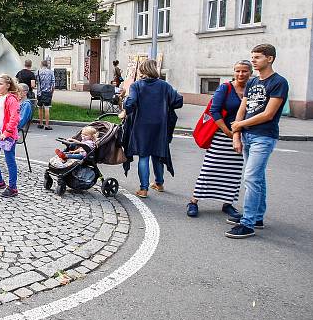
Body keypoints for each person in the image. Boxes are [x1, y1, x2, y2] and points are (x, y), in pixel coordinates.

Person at [225, 44, 289, 239]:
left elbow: (269, 114)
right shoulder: (252, 83)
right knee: (257, 177)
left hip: (264, 135)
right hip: (248, 135)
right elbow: (242, 108)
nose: (253, 60)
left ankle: (248, 223)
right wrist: (237, 133)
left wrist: (239, 124)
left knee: (251, 177)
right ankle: (257, 217)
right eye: (252, 56)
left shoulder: (278, 82)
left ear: (269, 59)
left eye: (258, 57)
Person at [186, 61, 252, 219]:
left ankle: (227, 203)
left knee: (234, 172)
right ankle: (193, 201)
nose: (241, 74)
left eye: (244, 71)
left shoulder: (252, 89)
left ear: (250, 73)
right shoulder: (225, 88)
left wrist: (238, 134)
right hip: (222, 134)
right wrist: (228, 133)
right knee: (210, 168)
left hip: (241, 135)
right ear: (233, 72)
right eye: (237, 71)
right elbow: (215, 111)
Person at [120, 59, 183, 198]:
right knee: (157, 153)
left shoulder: (136, 86)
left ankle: (143, 189)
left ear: (142, 70)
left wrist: (125, 105)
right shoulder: (164, 86)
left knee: (143, 156)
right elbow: (178, 101)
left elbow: (130, 102)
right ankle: (159, 184)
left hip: (141, 125)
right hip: (160, 125)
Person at [36, 59, 55, 130]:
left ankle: (41, 123)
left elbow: (36, 82)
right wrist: (52, 93)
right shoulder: (51, 72)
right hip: (47, 92)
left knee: (40, 107)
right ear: (47, 65)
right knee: (47, 108)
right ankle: (47, 125)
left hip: (39, 92)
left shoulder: (38, 72)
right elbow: (53, 84)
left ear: (41, 64)